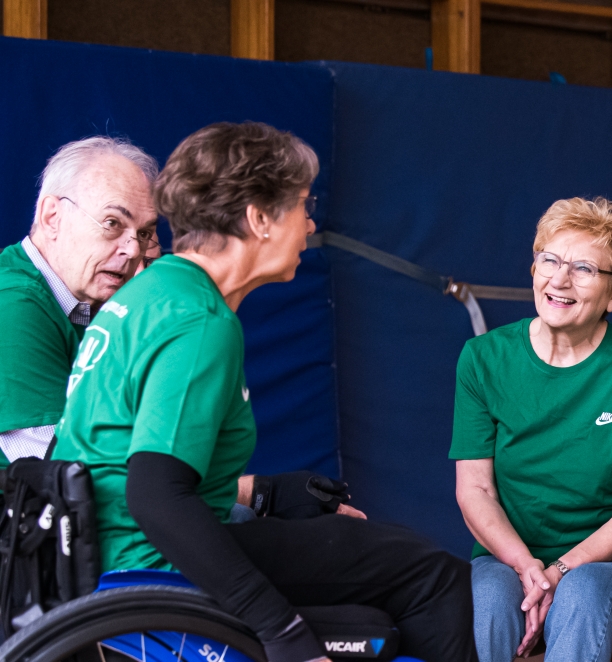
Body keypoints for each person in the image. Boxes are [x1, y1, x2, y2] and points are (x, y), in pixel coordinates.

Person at [50, 122, 476, 662]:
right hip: (148, 563)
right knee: (433, 577)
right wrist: (285, 633)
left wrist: (271, 492)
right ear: (258, 218)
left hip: (109, 553)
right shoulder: (198, 320)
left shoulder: (151, 293)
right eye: (302, 205)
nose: (311, 223)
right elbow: (155, 495)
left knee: (387, 575)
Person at [453, 197, 612, 662]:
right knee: (489, 602)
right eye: (549, 261)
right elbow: (475, 489)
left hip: (605, 560)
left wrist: (560, 569)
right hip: (505, 554)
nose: (560, 279)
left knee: (582, 597)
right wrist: (526, 566)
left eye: (584, 269)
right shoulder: (482, 358)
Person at [0, 137, 158, 470]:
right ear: (52, 217)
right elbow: (70, 473)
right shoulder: (12, 304)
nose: (133, 251)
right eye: (113, 223)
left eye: (143, 233)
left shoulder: (86, 306)